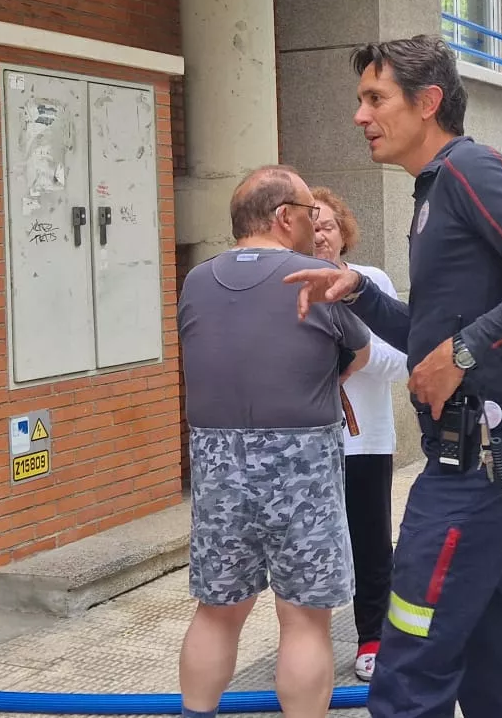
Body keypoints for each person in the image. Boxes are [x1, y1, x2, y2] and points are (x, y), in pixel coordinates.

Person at [288, 34, 502, 718]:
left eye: (376, 99)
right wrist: (361, 294)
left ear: (427, 102)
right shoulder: (435, 190)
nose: (360, 116)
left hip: (481, 463)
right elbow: (430, 340)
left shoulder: (470, 171)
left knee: (408, 665)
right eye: (359, 100)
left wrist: (462, 352)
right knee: (488, 666)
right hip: (478, 455)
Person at [178, 166, 370, 718]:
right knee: (305, 618)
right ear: (285, 217)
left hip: (215, 461)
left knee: (215, 610)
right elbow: (356, 355)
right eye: (311, 213)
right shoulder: (315, 274)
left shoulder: (197, 279)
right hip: (302, 460)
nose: (316, 223)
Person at [308, 185, 410, 683]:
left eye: (326, 224)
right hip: (304, 444)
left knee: (370, 544)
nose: (319, 234)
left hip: (363, 440)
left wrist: (359, 353)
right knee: (311, 547)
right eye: (309, 225)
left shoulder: (369, 282)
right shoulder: (286, 284)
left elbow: (403, 360)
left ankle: (374, 637)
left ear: (342, 232)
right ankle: (309, 646)